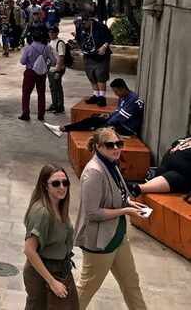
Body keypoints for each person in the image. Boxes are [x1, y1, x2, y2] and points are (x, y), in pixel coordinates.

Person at [74, 127, 147, 310]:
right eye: (110, 145)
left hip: (117, 236)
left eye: (119, 144)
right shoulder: (94, 172)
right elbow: (93, 213)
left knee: (131, 285)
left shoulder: (111, 163)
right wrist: (125, 211)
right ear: (98, 147)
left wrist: (129, 202)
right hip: (100, 242)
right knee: (86, 289)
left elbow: (117, 194)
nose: (116, 148)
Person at [22, 165, 78, 309]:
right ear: (45, 186)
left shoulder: (60, 206)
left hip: (61, 269)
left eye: (65, 183)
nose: (62, 187)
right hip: (43, 274)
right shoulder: (42, 213)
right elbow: (29, 250)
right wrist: (52, 282)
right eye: (55, 183)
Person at [44, 79, 145, 139]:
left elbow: (118, 119)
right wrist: (107, 116)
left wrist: (104, 123)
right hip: (120, 123)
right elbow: (117, 112)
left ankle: (62, 129)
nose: (115, 94)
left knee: (95, 125)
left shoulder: (133, 100)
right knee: (93, 119)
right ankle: (62, 129)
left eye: (116, 91)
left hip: (127, 129)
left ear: (123, 89)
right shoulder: (124, 96)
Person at [19, 33, 57, 122]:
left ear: (32, 38)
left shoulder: (28, 48)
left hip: (30, 72)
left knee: (26, 93)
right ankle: (41, 115)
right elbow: (53, 62)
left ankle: (25, 113)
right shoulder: (46, 47)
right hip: (41, 73)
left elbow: (22, 62)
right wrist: (44, 64)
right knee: (41, 93)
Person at [79, 17, 113, 107]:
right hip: (88, 55)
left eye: (84, 23)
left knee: (100, 75)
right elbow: (78, 38)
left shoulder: (100, 26)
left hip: (100, 55)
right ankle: (96, 95)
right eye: (80, 23)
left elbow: (109, 37)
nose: (82, 25)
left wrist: (104, 46)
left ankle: (102, 97)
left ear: (89, 20)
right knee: (91, 75)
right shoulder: (80, 26)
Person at [46, 26, 67, 115]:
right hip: (51, 68)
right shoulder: (51, 42)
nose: (50, 34)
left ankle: (60, 106)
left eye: (52, 32)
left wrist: (58, 71)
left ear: (57, 33)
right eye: (49, 32)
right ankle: (54, 104)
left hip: (58, 69)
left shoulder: (60, 43)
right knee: (52, 87)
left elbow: (61, 57)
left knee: (58, 87)